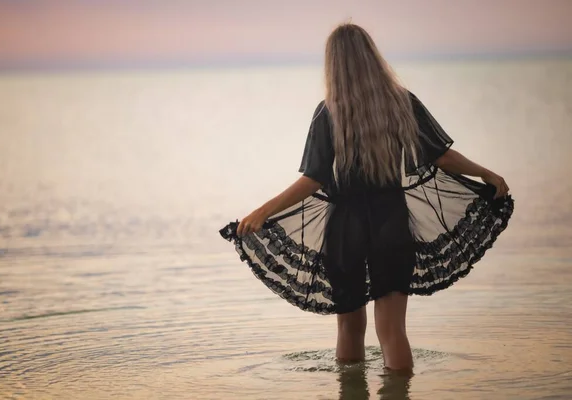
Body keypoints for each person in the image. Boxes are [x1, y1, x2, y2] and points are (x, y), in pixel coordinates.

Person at [219, 23, 513, 372]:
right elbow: (441, 156)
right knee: (392, 332)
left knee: (349, 327)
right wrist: (485, 173)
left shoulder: (328, 112)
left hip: (346, 229)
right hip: (392, 221)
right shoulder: (402, 103)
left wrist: (263, 211)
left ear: (333, 64)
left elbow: (313, 179)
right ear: (372, 57)